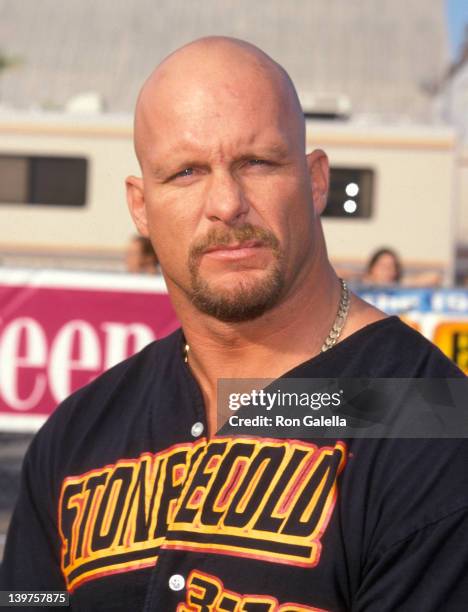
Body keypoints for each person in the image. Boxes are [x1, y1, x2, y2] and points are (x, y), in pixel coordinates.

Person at [1, 37, 467, 612]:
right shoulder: (76, 434)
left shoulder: (427, 417)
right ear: (141, 206)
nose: (226, 203)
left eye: (257, 162)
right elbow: (28, 599)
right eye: (186, 172)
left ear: (317, 179)